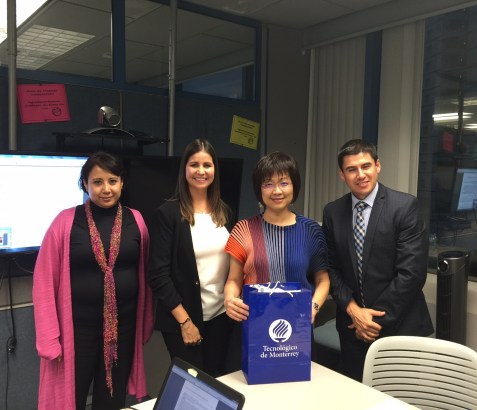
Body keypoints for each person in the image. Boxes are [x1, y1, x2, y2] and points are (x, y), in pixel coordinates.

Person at [33, 151, 154, 410]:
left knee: (112, 399)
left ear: (122, 182)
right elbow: (43, 282)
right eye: (97, 182)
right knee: (70, 399)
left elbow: (144, 276)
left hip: (122, 329)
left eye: (112, 181)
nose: (106, 189)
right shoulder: (64, 222)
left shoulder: (137, 220)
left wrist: (145, 322)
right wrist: (49, 338)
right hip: (77, 332)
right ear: (84, 184)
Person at [321, 139, 434, 381]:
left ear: (378, 166)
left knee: (397, 397)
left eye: (366, 166)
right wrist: (354, 311)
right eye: (351, 169)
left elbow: (411, 274)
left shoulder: (405, 206)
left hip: (400, 326)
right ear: (342, 174)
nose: (360, 174)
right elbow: (331, 267)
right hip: (352, 328)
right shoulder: (333, 212)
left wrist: (370, 321)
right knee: (355, 394)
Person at [148, 138, 234, 377]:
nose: (201, 171)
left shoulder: (225, 212)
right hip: (184, 318)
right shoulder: (168, 214)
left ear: (215, 170)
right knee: (192, 386)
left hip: (220, 317)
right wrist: (185, 323)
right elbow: (158, 276)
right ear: (184, 169)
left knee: (217, 383)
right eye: (194, 164)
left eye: (207, 165)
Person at [223, 151, 330, 325]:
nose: (277, 191)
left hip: (298, 322)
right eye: (268, 184)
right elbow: (233, 280)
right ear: (259, 190)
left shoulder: (310, 230)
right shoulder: (243, 229)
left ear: (294, 186)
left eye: (284, 183)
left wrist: (313, 307)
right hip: (254, 322)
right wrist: (230, 299)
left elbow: (322, 280)